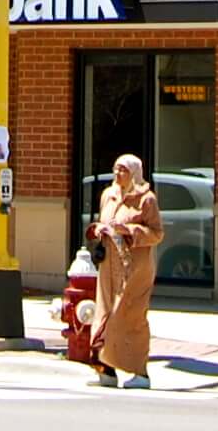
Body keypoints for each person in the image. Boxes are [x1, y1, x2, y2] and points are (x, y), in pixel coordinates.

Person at [88, 151, 163, 390]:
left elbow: (157, 233)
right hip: (108, 266)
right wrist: (100, 230)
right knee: (104, 315)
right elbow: (104, 221)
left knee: (129, 318)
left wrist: (129, 230)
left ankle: (139, 372)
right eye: (116, 168)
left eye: (123, 170)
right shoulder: (108, 196)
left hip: (135, 269)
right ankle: (105, 370)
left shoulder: (146, 199)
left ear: (134, 173)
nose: (118, 174)